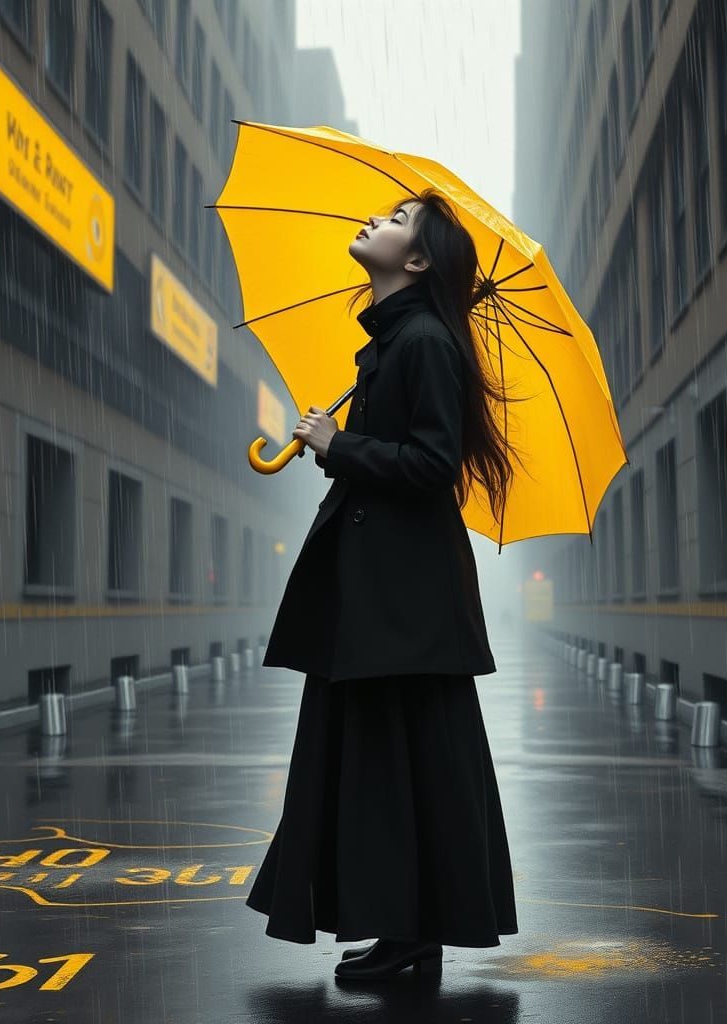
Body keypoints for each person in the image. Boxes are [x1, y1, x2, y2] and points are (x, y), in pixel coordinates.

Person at [246, 188, 523, 980]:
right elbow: (394, 460)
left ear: (418, 259)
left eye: (397, 220)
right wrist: (336, 442)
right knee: (385, 762)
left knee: (403, 760)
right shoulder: (392, 344)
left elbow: (435, 468)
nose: (374, 219)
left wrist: (341, 447)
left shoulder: (426, 342)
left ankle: (411, 931)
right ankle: (401, 926)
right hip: (382, 600)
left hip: (404, 605)